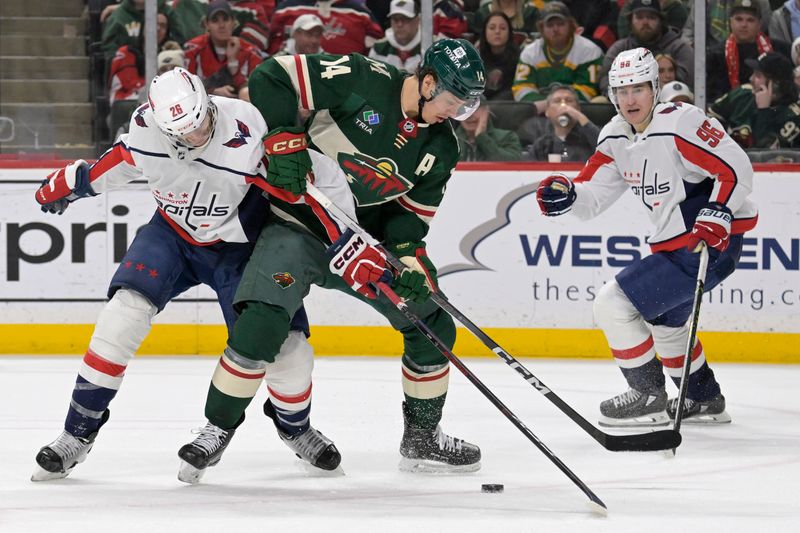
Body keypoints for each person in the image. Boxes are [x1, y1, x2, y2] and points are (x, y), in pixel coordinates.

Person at [177, 39, 487, 479]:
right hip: (298, 225)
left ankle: (421, 438)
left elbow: (407, 220)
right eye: (453, 101)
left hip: (360, 247)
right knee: (263, 321)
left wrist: (411, 261)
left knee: (431, 322)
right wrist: (284, 137)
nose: (455, 114)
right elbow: (271, 75)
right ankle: (215, 430)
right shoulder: (363, 79)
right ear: (429, 82)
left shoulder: (442, 147)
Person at [30, 67, 327, 481]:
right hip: (172, 237)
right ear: (163, 129)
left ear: (208, 102)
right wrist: (73, 183)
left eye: (203, 120)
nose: (200, 133)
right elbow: (115, 163)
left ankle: (296, 429)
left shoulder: (246, 124)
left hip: (242, 249)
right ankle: (76, 435)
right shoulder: (145, 133)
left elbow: (300, 186)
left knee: (289, 350)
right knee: (121, 317)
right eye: (185, 132)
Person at [536, 47, 758, 427]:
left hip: (707, 243)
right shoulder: (615, 137)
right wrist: (569, 197)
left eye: (637, 88)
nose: (629, 99)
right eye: (621, 91)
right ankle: (703, 398)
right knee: (666, 323)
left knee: (612, 304)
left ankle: (647, 394)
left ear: (655, 88)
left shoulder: (680, 122)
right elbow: (592, 197)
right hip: (678, 243)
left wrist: (718, 209)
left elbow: (735, 166)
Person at [513, 1, 603, 112]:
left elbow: (588, 91)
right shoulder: (530, 53)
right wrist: (549, 105)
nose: (555, 29)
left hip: (578, 111)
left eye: (560, 24)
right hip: (539, 112)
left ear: (570, 25)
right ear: (541, 28)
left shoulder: (589, 51)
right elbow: (521, 89)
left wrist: (555, 104)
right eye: (550, 25)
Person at [710, 51, 800, 148]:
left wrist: (763, 111)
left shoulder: (793, 116)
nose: (750, 78)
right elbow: (708, 119)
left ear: (776, 85)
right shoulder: (742, 94)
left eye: (758, 75)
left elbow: (765, 154)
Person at [706, 0, 791, 102]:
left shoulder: (779, 50)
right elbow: (711, 93)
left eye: (750, 20)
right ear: (730, 22)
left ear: (759, 24)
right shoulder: (715, 54)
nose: (744, 25)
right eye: (739, 19)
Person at [600, 0, 694, 92]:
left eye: (651, 17)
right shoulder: (620, 49)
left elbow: (687, 83)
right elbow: (605, 80)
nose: (645, 22)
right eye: (639, 17)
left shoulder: (679, 48)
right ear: (630, 21)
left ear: (661, 21)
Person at [184, 0, 264, 101]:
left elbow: (257, 92)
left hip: (240, 109)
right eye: (215, 20)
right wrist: (213, 92)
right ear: (207, 24)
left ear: (233, 22)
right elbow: (187, 88)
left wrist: (233, 62)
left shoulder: (251, 52)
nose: (221, 25)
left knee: (246, 93)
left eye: (225, 19)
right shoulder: (193, 49)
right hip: (204, 107)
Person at [267, 0, 384, 56]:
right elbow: (272, 47)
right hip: (290, 78)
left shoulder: (361, 14)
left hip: (346, 85)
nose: (314, 40)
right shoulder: (286, 9)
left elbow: (375, 55)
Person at [528, 84, 600, 162]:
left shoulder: (589, 140)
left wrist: (581, 117)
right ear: (547, 111)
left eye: (569, 101)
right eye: (557, 101)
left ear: (578, 109)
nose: (563, 105)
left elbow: (606, 146)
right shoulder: (541, 146)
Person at [455, 97, 523, 161]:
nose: (469, 115)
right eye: (463, 109)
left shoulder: (507, 137)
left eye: (475, 109)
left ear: (486, 111)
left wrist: (482, 137)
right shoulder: (451, 139)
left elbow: (514, 165)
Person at [369, 0, 422, 73]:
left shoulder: (432, 46)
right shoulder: (378, 49)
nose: (399, 24)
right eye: (395, 19)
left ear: (418, 20)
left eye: (405, 19)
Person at [477, 12, 520, 100]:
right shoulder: (474, 58)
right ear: (484, 32)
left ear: (509, 32)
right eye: (492, 28)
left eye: (503, 28)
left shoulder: (520, 58)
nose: (497, 31)